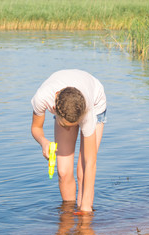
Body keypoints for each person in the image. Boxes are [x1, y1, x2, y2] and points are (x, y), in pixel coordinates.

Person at [31, 69, 107, 212]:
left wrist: (85, 210)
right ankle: (67, 216)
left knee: (82, 170)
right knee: (63, 172)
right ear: (55, 110)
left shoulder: (88, 113)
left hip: (95, 102)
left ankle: (83, 212)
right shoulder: (41, 98)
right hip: (68, 103)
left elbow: (90, 162)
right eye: (65, 125)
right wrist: (43, 142)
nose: (69, 128)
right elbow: (36, 128)